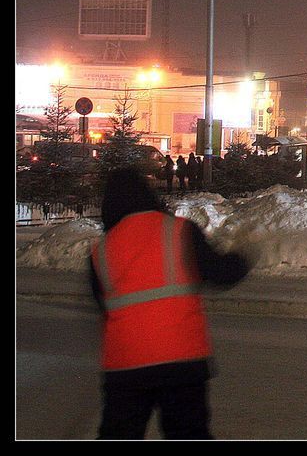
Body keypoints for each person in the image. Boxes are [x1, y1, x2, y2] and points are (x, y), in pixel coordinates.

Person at [88, 167, 252, 439]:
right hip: (182, 362)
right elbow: (222, 273)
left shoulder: (101, 251)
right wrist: (244, 255)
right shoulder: (179, 231)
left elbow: (102, 304)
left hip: (126, 366)